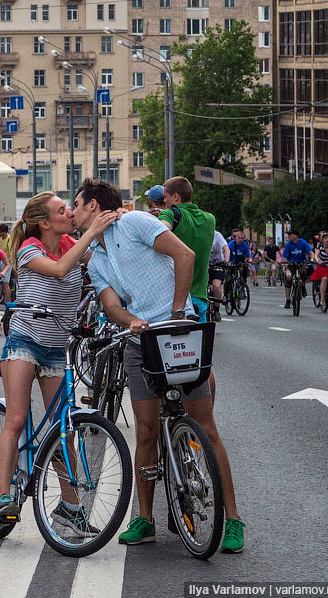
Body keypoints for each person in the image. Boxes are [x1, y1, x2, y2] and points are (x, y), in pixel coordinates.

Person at [72, 177, 244, 554]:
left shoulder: (134, 223)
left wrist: (179, 312)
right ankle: (145, 519)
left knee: (205, 427)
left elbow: (185, 255)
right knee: (146, 432)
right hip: (141, 341)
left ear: (94, 207)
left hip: (177, 334)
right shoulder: (96, 257)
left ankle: (232, 519)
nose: (73, 210)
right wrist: (128, 320)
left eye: (78, 204)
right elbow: (111, 303)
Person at [0, 191, 117, 525]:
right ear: (44, 222)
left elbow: (107, 263)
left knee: (66, 426)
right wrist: (88, 235)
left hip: (56, 347)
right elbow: (60, 270)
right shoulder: (29, 247)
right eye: (63, 211)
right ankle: (3, 497)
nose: (69, 214)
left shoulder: (75, 246)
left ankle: (70, 506)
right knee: (16, 420)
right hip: (24, 342)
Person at [157, 177, 216, 320]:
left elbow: (160, 230)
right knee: (200, 341)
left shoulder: (169, 213)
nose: (164, 201)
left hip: (174, 300)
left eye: (165, 196)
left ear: (175, 197)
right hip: (199, 298)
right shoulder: (209, 219)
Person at [279, 229, 313, 307]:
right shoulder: (288, 244)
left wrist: (311, 260)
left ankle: (303, 287)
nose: (288, 236)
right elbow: (284, 257)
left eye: (290, 234)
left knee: (304, 272)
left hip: (301, 263)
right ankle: (288, 300)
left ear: (295, 235)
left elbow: (311, 252)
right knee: (288, 278)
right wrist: (285, 265)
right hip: (291, 264)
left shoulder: (302, 242)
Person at [310, 234, 328, 308]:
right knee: (324, 279)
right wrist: (317, 260)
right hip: (322, 267)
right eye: (325, 238)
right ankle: (322, 299)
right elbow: (316, 255)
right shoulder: (320, 248)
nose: (327, 240)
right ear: (322, 240)